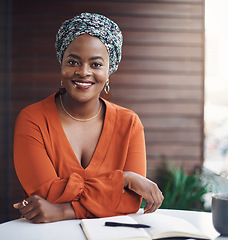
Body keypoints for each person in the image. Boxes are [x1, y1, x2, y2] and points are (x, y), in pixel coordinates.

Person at [13, 12, 163, 223]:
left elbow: (130, 202)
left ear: (109, 70)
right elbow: (45, 194)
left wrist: (63, 211)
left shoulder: (129, 124)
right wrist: (124, 179)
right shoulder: (32, 120)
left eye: (96, 64)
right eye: (73, 62)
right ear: (61, 64)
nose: (83, 72)